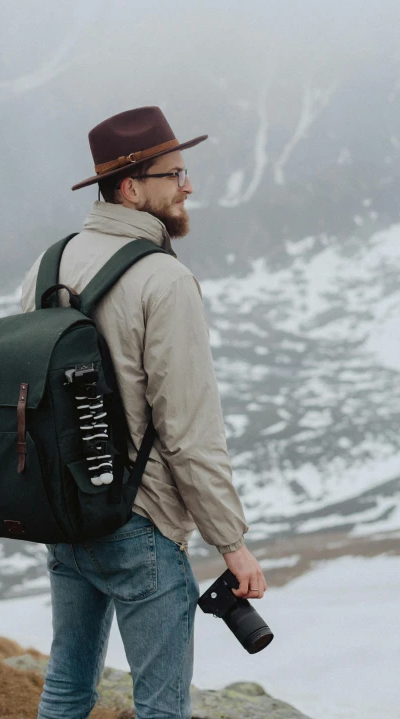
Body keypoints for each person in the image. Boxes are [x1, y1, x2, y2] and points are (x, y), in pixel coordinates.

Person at [20, 106, 267, 719]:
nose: (189, 187)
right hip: (140, 524)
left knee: (67, 687)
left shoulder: (48, 264)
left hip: (66, 513)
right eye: (176, 175)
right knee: (161, 707)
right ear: (131, 189)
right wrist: (231, 544)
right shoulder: (164, 279)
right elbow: (188, 433)